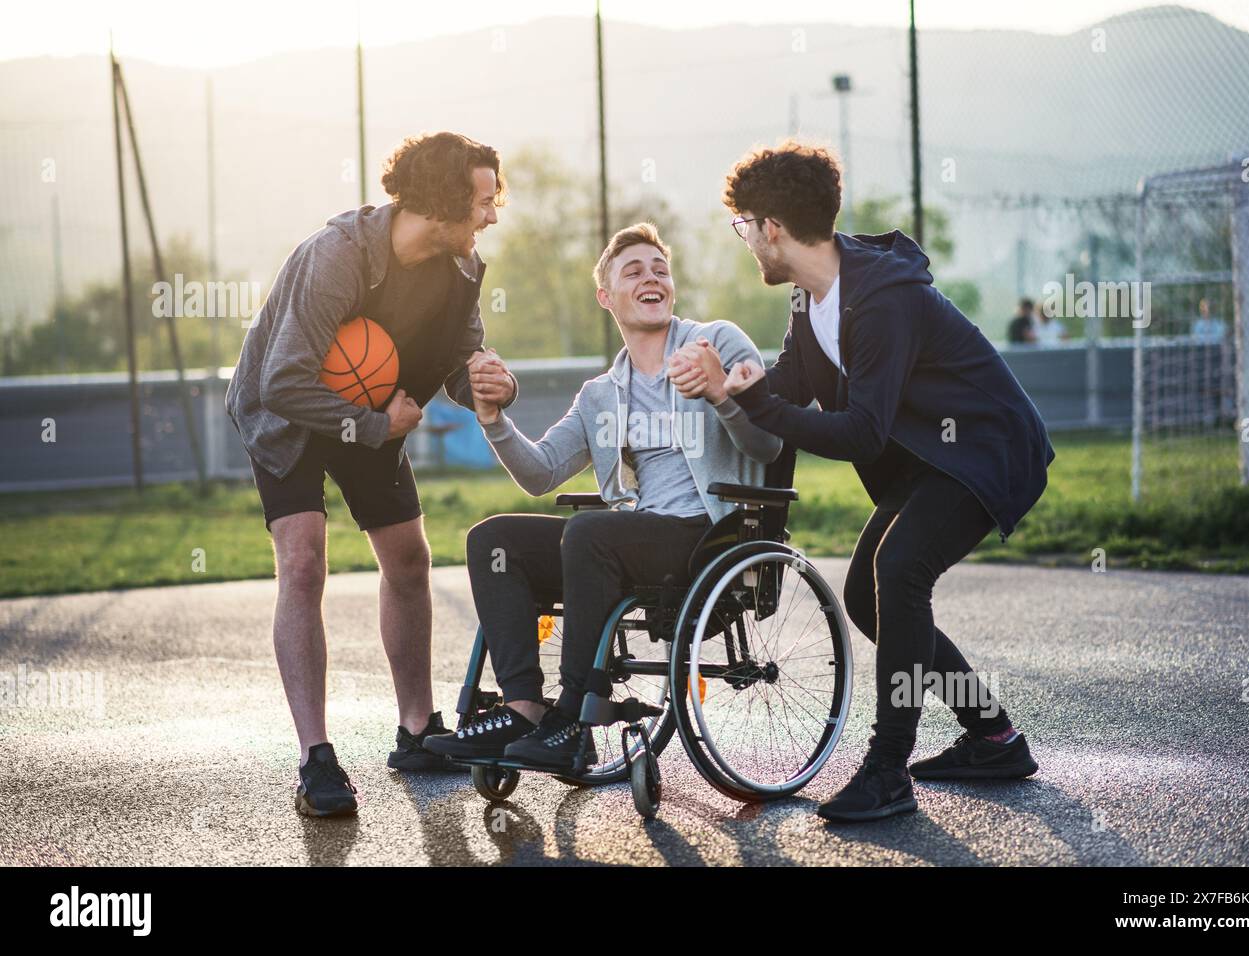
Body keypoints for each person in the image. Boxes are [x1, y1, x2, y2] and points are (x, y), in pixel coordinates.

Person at [670, 140, 1055, 822]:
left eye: (744, 227)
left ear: (773, 229)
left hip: (985, 452)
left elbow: (861, 432)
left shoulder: (881, 301)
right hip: (929, 462)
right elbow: (788, 388)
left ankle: (886, 771)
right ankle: (993, 737)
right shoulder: (809, 298)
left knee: (901, 570)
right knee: (867, 598)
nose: (746, 242)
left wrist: (758, 402)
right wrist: (732, 387)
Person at [225, 131, 518, 817]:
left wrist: (485, 381)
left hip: (375, 408)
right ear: (444, 204)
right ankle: (316, 759)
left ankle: (417, 729)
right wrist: (371, 425)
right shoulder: (337, 258)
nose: (491, 216)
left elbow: (458, 359)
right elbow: (281, 382)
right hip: (290, 414)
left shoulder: (463, 265)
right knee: (302, 563)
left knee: (409, 560)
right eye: (482, 202)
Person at [422, 222, 781, 771]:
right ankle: (523, 707)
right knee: (493, 539)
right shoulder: (599, 394)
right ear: (605, 297)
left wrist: (719, 394)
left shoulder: (716, 342)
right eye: (633, 271)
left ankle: (572, 714)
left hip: (710, 535)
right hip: (632, 537)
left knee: (592, 530)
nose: (651, 278)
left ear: (672, 290)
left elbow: (769, 444)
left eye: (660, 270)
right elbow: (540, 473)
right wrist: (492, 419)